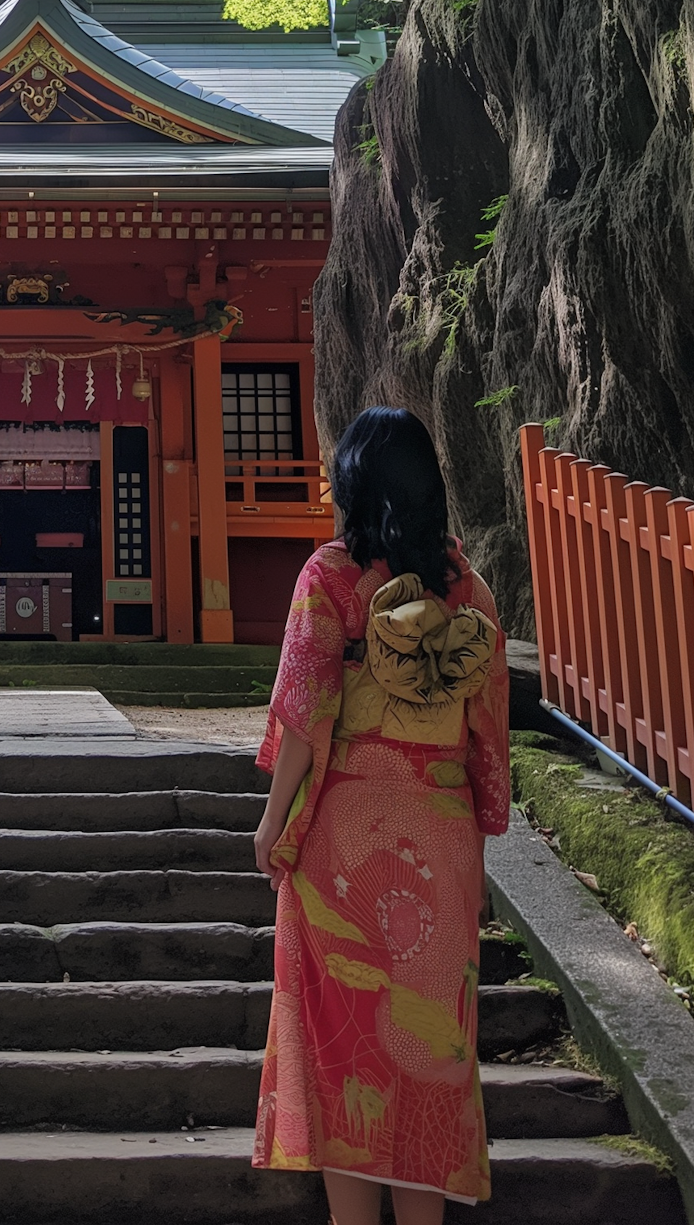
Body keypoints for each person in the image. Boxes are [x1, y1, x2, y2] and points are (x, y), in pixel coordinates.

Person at [250, 407, 511, 1223]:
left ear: (353, 484)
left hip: (343, 837)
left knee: (343, 1048)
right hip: (438, 826)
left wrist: (269, 823)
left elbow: (305, 712)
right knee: (431, 1047)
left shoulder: (329, 576)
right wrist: (478, 822)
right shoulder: (470, 591)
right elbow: (488, 732)